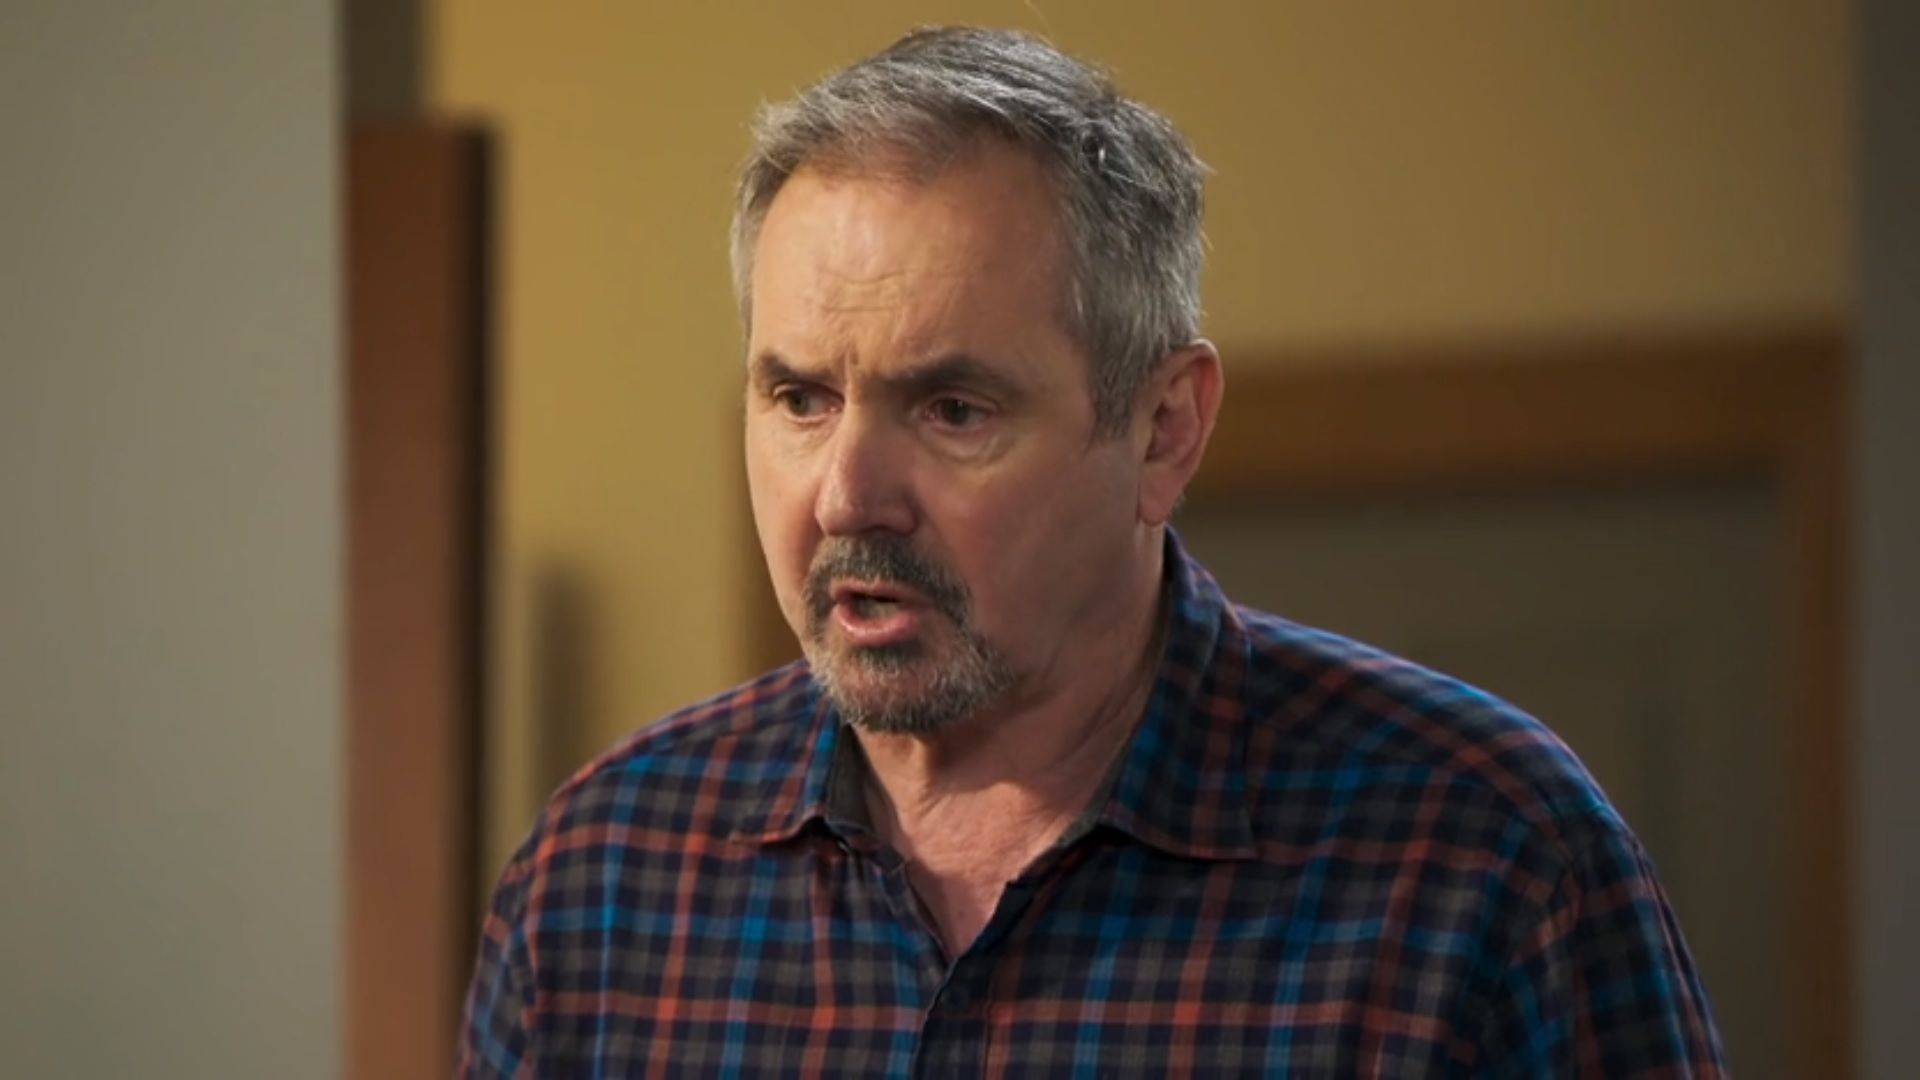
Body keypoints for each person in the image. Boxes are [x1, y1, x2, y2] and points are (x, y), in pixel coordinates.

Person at [461, 27, 1725, 1077]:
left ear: (1164, 429)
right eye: (800, 399)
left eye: (953, 410)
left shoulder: (1485, 858)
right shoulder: (604, 880)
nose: (846, 497)